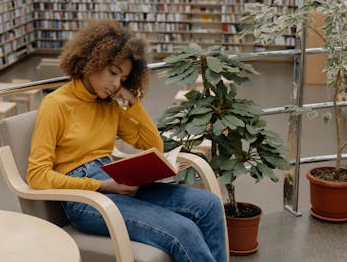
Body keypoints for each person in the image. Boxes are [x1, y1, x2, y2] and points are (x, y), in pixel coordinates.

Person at [27, 19, 227, 262]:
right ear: (93, 59)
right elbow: (37, 175)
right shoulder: (56, 104)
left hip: (115, 179)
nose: (115, 84)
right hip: (85, 199)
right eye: (113, 72)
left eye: (122, 79)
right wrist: (102, 186)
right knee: (183, 230)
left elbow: (155, 146)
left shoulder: (109, 106)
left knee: (210, 205)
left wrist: (134, 104)